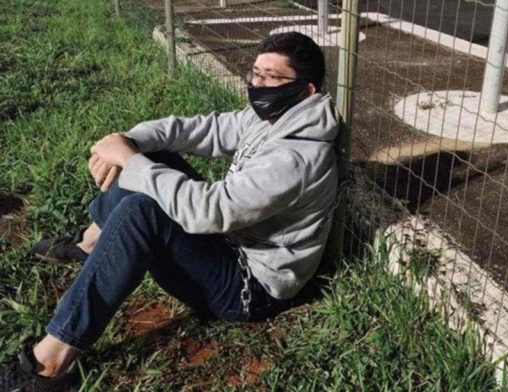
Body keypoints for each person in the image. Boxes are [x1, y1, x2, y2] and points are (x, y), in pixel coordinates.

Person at [0, 31, 339, 391]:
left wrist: (129, 160)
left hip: (250, 289)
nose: (259, 84)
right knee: (155, 158)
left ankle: (51, 361)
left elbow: (209, 211)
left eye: (272, 77)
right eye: (255, 73)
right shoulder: (272, 118)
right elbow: (203, 129)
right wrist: (130, 141)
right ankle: (91, 245)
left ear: (306, 90)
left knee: (144, 210)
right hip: (229, 245)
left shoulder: (299, 157)